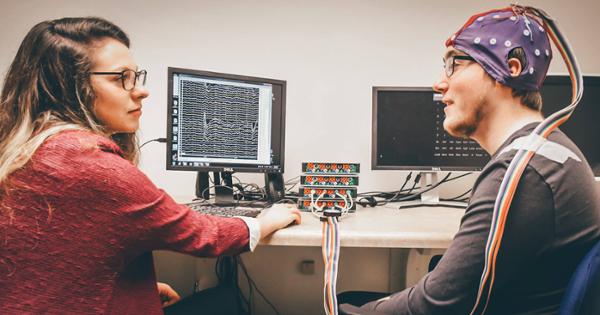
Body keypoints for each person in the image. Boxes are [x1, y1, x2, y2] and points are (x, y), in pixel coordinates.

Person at [0, 17, 301, 314]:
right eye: (121, 78)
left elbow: (52, 259)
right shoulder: (96, 168)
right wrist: (266, 221)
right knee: (228, 301)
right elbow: (205, 235)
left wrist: (135, 288)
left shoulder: (24, 153)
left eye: (136, 76)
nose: (141, 90)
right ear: (69, 87)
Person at [341, 5, 600, 315]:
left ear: (511, 68)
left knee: (343, 301)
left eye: (455, 65)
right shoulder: (552, 151)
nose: (439, 85)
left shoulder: (521, 174)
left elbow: (434, 305)